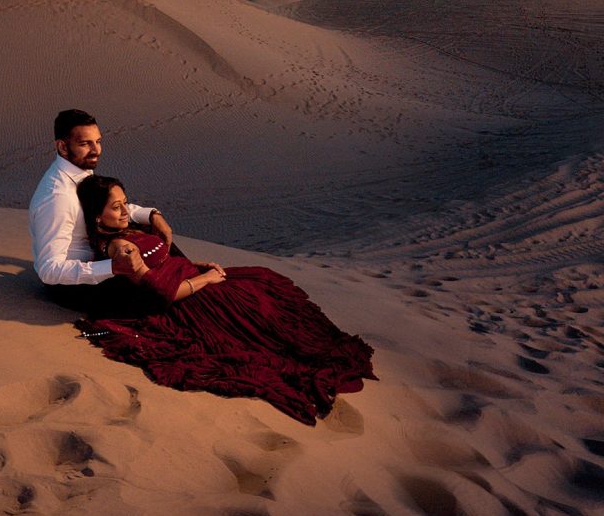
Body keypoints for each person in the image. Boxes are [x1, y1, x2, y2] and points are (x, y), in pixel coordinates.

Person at [74, 175, 375, 425]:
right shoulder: (120, 247)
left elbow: (161, 263)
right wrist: (204, 280)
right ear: (98, 216)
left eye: (126, 202)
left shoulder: (124, 229)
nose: (126, 210)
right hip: (191, 303)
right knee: (257, 322)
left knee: (265, 291)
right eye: (117, 207)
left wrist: (197, 264)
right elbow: (161, 292)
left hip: (194, 279)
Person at [29, 109, 174, 312]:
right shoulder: (57, 198)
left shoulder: (79, 169)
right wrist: (112, 268)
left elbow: (106, 209)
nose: (96, 150)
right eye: (85, 144)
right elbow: (48, 270)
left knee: (157, 244)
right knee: (160, 295)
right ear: (62, 146)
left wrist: (151, 214)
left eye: (98, 141)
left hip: (101, 256)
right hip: (75, 286)